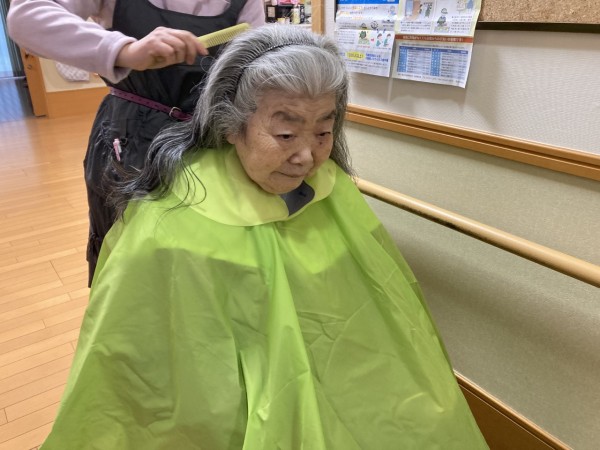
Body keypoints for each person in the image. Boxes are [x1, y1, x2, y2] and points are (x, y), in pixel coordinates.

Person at [39, 25, 489, 449]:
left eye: (324, 132)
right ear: (230, 124)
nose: (306, 156)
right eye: (286, 133)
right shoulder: (169, 228)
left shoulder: (332, 191)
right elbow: (154, 374)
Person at [7, 0, 266, 285]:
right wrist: (124, 51)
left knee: (207, 255)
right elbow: (26, 18)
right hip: (131, 143)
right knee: (131, 257)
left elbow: (257, 66)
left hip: (212, 143)